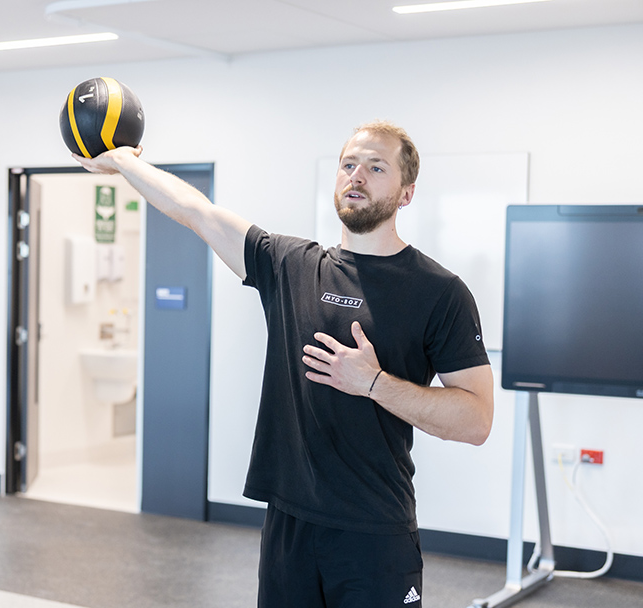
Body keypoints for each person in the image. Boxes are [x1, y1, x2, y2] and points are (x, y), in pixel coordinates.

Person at [74, 121, 494, 608]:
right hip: (288, 527)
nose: (356, 176)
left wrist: (374, 383)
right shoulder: (291, 265)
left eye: (376, 167)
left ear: (406, 194)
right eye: (349, 164)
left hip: (374, 532)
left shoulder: (440, 293)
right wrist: (125, 162)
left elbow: (476, 421)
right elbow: (197, 213)